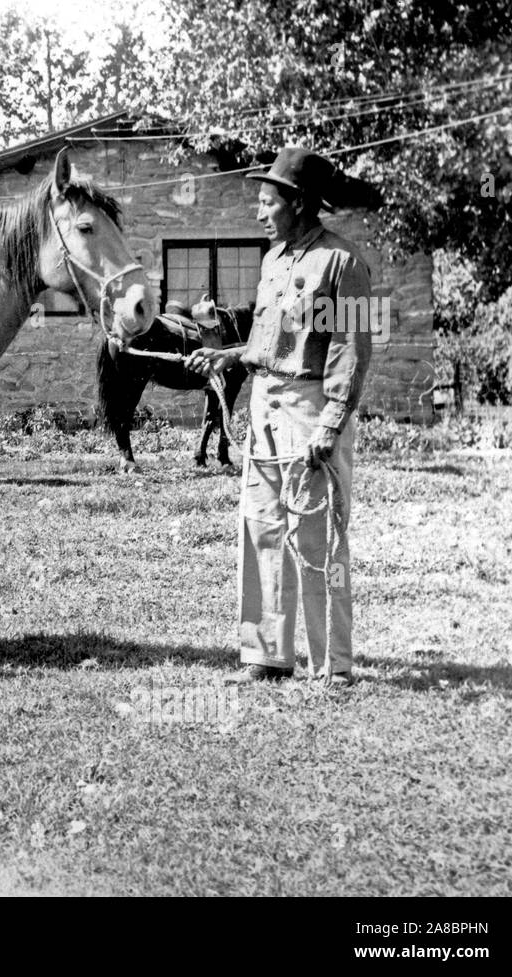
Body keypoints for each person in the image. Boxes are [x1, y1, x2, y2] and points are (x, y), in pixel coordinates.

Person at [184, 147, 373, 688]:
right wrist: (232, 353)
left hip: (312, 410)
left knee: (318, 540)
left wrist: (330, 424)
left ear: (301, 204)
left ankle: (331, 665)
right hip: (264, 407)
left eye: (268, 202)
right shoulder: (273, 261)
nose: (258, 212)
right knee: (261, 529)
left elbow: (351, 347)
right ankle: (266, 656)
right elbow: (272, 342)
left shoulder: (342, 262)